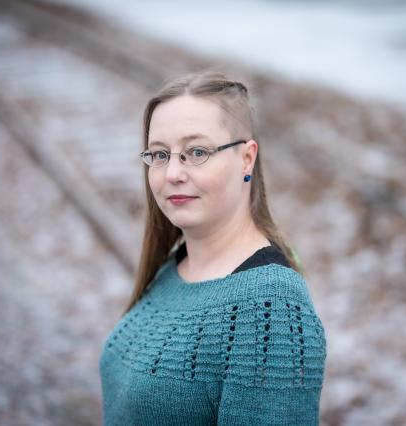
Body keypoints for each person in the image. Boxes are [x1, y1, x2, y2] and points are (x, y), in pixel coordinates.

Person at [99, 69, 327, 425]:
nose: (172, 172)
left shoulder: (271, 309)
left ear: (246, 159)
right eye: (160, 155)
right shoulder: (175, 265)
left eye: (197, 151)